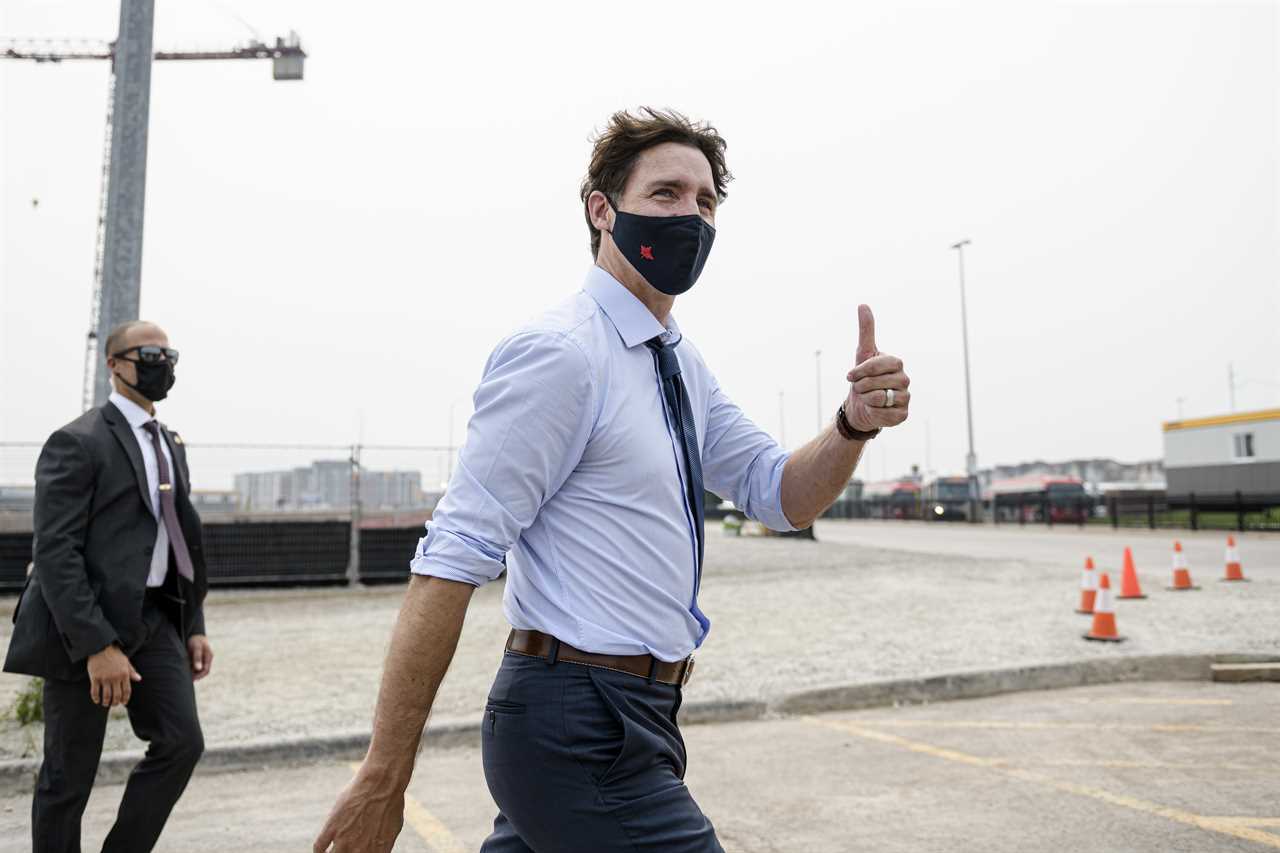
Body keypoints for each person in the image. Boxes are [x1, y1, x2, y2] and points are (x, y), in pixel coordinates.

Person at [314, 108, 910, 853]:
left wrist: (851, 424)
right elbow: (452, 558)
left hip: (646, 713)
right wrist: (384, 776)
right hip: (573, 724)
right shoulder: (562, 355)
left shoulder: (679, 363)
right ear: (603, 210)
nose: (690, 214)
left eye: (705, 201)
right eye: (665, 194)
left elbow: (779, 493)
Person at [5, 320, 212, 853]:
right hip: (83, 625)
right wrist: (97, 646)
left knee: (181, 744)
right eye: (148, 353)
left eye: (168, 354)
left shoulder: (170, 442)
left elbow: (178, 538)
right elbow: (54, 552)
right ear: (114, 364)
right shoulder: (77, 441)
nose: (160, 363)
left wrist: (194, 625)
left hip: (156, 618)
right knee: (67, 777)